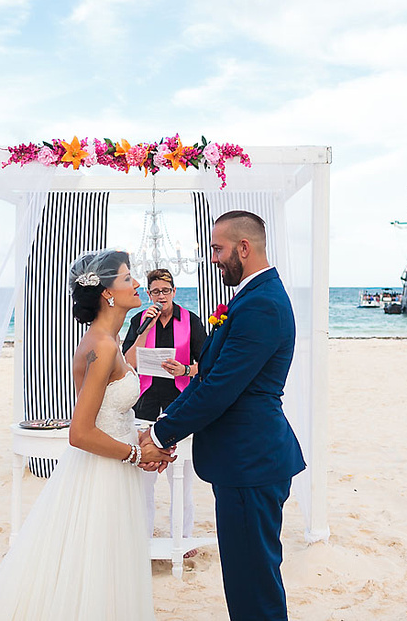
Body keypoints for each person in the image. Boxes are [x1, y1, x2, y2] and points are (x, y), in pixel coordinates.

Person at [0, 249, 173, 621]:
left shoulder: (106, 341)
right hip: (104, 473)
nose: (137, 284)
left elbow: (114, 413)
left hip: (114, 466)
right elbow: (79, 432)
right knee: (99, 565)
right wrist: (136, 455)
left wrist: (146, 438)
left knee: (108, 566)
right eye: (128, 278)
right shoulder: (103, 346)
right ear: (108, 293)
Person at [141, 211, 305, 621]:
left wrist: (161, 436)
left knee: (255, 585)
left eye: (218, 248)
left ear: (244, 248)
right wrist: (165, 430)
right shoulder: (251, 296)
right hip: (241, 461)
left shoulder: (263, 303)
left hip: (251, 461)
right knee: (244, 578)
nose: (213, 258)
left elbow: (220, 389)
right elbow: (206, 377)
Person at [122, 268, 206, 555]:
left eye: (166, 291)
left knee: (180, 477)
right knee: (144, 478)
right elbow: (126, 363)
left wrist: (185, 369)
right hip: (144, 403)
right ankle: (141, 538)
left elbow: (209, 366)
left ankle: (182, 539)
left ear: (174, 291)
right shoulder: (140, 320)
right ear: (148, 294)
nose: (161, 297)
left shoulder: (190, 321)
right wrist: (143, 330)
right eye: (155, 292)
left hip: (179, 404)